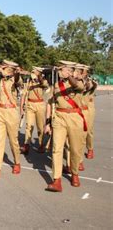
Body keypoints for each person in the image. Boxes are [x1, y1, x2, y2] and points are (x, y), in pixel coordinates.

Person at [46, 61, 87, 192]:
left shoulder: (78, 83)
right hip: (59, 117)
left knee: (75, 149)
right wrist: (48, 123)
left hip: (75, 117)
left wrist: (69, 76)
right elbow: (49, 103)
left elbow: (76, 85)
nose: (60, 72)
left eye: (63, 70)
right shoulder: (56, 85)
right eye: (61, 70)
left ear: (70, 71)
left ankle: (74, 174)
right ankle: (56, 180)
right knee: (57, 148)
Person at [0, 60, 23, 179]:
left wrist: (16, 73)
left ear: (9, 69)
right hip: (0, 112)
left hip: (12, 112)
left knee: (13, 141)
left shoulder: (15, 80)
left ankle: (17, 162)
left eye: (4, 67)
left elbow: (17, 81)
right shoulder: (0, 82)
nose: (2, 69)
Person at [20, 66, 49, 154]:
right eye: (32, 72)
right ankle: (26, 144)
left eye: (35, 72)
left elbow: (43, 84)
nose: (33, 74)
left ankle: (41, 144)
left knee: (40, 127)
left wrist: (38, 76)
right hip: (30, 105)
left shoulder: (43, 81)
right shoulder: (28, 82)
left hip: (40, 105)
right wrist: (21, 107)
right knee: (29, 125)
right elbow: (23, 95)